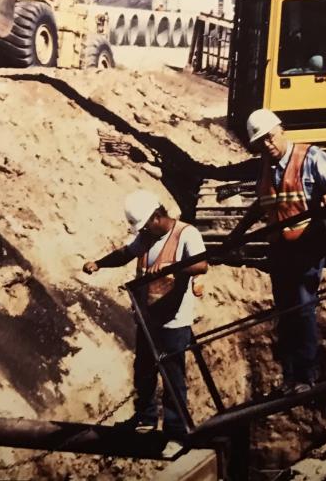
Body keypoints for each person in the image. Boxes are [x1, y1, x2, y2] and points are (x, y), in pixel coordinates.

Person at [82, 189, 207, 455]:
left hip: (173, 321)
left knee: (173, 379)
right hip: (148, 318)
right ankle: (146, 419)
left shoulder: (186, 234)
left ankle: (177, 435)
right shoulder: (147, 237)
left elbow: (201, 265)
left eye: (147, 224)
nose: (145, 230)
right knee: (144, 371)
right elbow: (126, 254)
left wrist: (172, 267)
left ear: (157, 215)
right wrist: (100, 263)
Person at [229, 109, 326, 394]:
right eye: (260, 142)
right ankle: (290, 376)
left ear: (281, 130)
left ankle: (307, 375)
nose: (267, 145)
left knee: (304, 306)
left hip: (307, 244)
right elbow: (263, 202)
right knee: (286, 311)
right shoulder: (266, 166)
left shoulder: (312, 157)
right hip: (279, 248)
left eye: (269, 137)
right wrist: (238, 233)